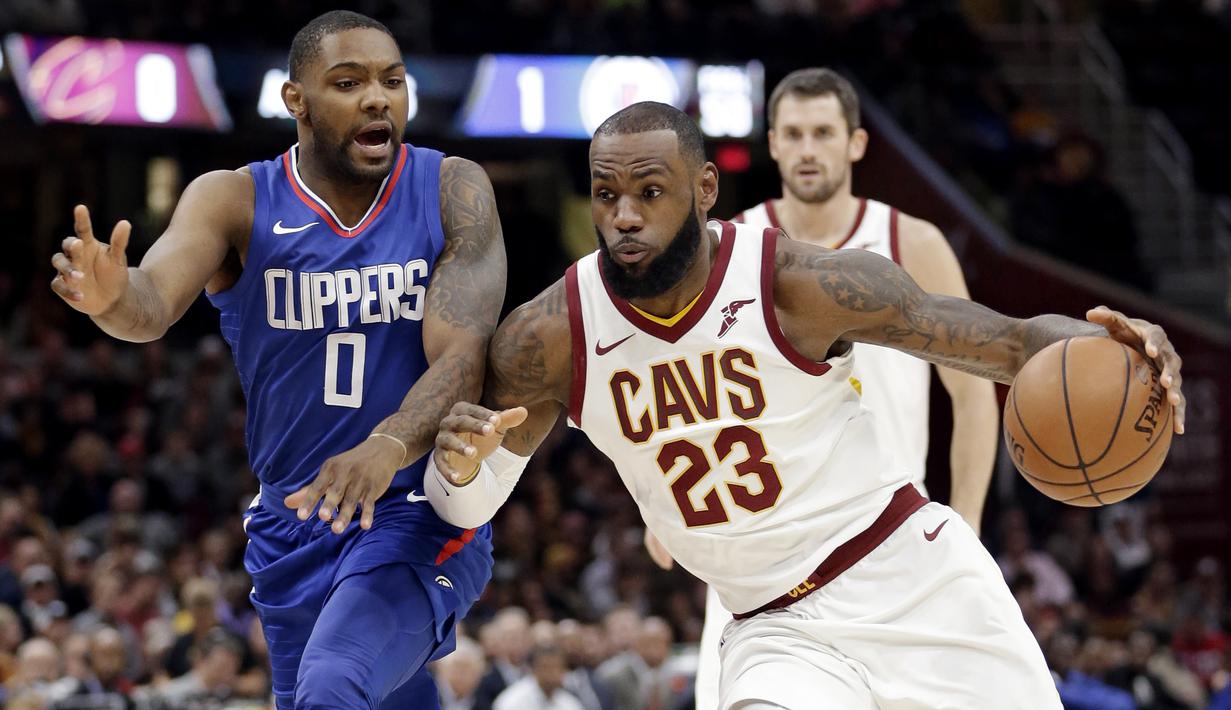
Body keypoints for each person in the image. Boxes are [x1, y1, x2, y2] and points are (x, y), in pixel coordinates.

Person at [428, 101, 1186, 709]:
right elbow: (467, 505)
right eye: (605, 193)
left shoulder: (801, 285)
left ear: (702, 191)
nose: (624, 215)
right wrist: (460, 472)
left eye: (649, 192)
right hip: (772, 627)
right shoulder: (549, 334)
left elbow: (1015, 345)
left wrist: (1112, 347)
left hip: (913, 583)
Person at [47, 10, 506, 709]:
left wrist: (387, 445)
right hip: (292, 523)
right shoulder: (232, 198)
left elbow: (463, 357)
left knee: (333, 685)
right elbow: (151, 303)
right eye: (348, 82)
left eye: (392, 80)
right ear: (296, 100)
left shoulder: (451, 189)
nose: (377, 98)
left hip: (414, 508)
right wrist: (110, 299)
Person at [646, 66, 1001, 708]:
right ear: (773, 144)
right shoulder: (722, 250)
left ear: (855, 143)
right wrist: (662, 506)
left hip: (893, 552)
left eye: (823, 133)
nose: (808, 149)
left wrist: (967, 526)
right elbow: (680, 385)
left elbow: (974, 391)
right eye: (794, 134)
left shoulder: (911, 243)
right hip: (759, 561)